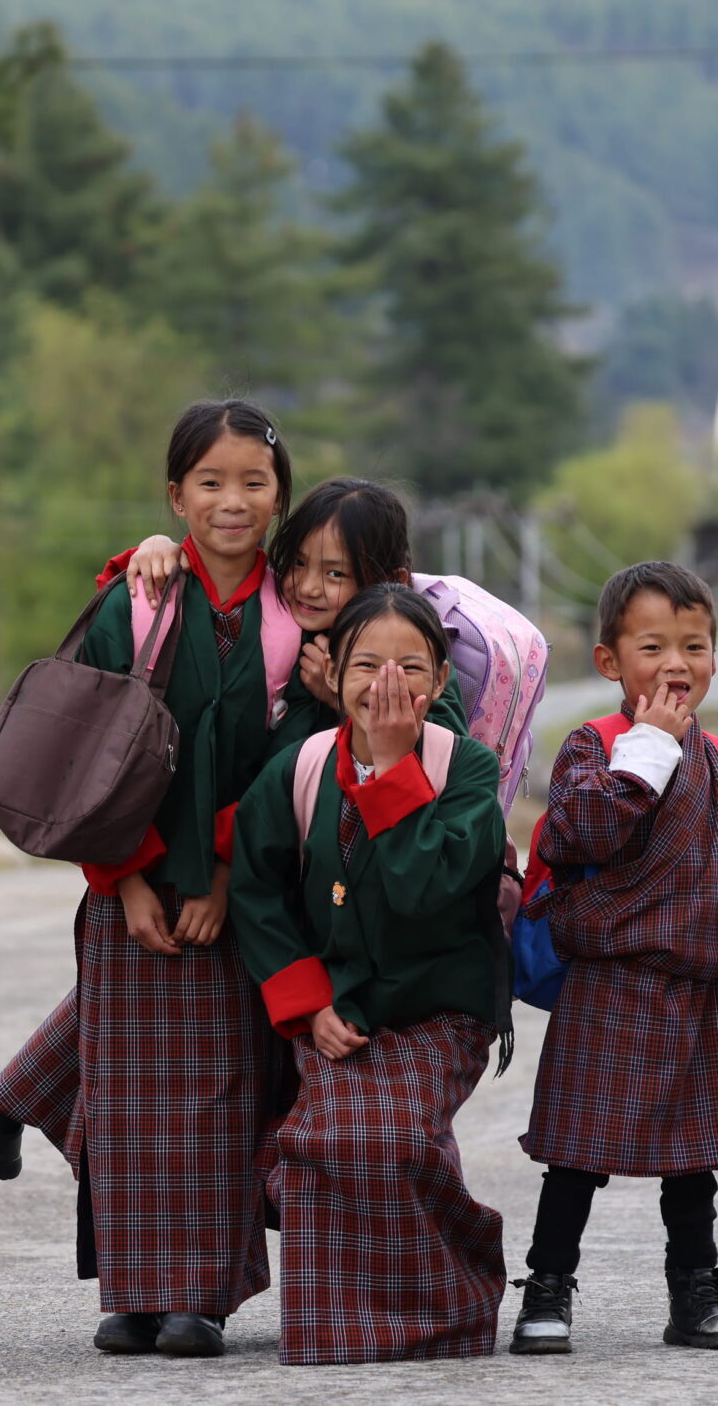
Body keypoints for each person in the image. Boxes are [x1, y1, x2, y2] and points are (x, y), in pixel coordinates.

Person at [0, 481, 466, 1196]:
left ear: (383, 581)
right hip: (265, 869)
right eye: (301, 565)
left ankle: (2, 1118)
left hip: (346, 899)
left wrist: (336, 707)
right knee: (144, 985)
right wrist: (153, 552)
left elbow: (389, 768)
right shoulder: (284, 631)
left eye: (337, 573)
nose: (311, 587)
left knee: (187, 1012)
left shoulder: (397, 661)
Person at [0, 400, 296, 1359]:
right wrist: (125, 880)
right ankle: (132, 1297)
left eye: (254, 481)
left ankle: (201, 1296)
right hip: (124, 889)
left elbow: (286, 769)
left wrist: (217, 875)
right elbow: (86, 751)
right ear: (176, 495)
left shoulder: (296, 617)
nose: (232, 500)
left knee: (212, 1097)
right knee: (129, 1099)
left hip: (232, 896)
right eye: (209, 481)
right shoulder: (134, 600)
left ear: (280, 497)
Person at [510, 561, 718, 1356]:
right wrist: (649, 748)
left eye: (695, 645)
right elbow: (580, 831)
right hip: (610, 983)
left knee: (694, 1162)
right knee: (576, 1157)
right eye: (654, 645)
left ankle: (697, 1291)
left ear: (717, 660)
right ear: (610, 662)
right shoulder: (596, 744)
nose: (677, 663)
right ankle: (547, 1288)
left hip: (701, 985)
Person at [230, 584, 511, 1364]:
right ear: (336, 674)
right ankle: (332, 1328)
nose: (387, 684)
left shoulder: (469, 769)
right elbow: (255, 886)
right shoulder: (305, 765)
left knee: (386, 1137)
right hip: (337, 1004)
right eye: (367, 664)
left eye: (410, 666)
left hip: (438, 1005)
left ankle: (453, 1301)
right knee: (322, 1140)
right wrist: (303, 1001)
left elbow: (425, 893)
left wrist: (392, 768)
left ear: (443, 682)